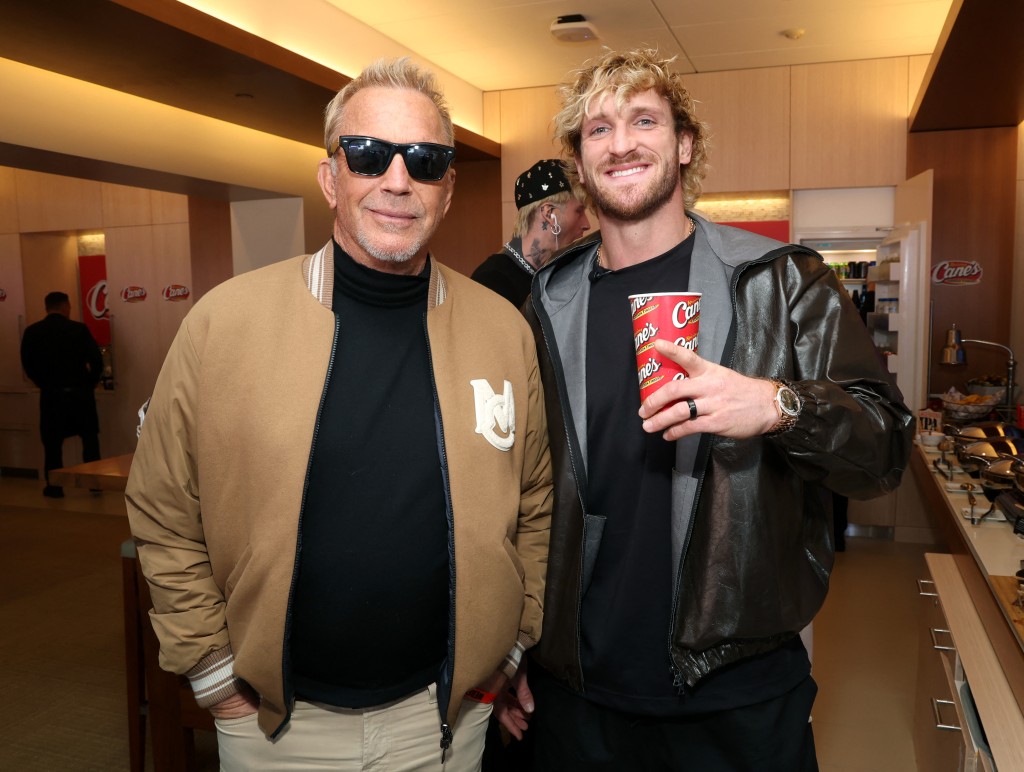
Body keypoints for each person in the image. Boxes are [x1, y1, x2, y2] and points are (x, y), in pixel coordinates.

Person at [126, 57, 552, 771]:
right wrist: (211, 671)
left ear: (447, 188)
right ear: (331, 178)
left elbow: (535, 503)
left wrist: (507, 646)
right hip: (277, 728)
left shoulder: (502, 329)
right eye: (367, 154)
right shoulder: (225, 324)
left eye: (424, 160)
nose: (396, 179)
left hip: (444, 722)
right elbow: (164, 505)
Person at [500, 48, 914, 771]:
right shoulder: (550, 300)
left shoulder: (781, 283)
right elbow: (524, 490)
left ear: (684, 145)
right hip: (577, 693)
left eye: (644, 120)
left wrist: (781, 404)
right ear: (579, 160)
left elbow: (884, 450)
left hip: (736, 692)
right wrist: (509, 649)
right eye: (598, 130)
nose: (621, 142)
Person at [471, 160, 590, 308]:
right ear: (549, 213)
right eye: (579, 211)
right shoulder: (492, 280)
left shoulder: (553, 275)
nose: (587, 225)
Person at [20, 291, 103, 498]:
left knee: (52, 443)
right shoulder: (78, 330)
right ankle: (94, 484)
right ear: (65, 306)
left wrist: (44, 384)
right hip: (80, 395)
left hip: (52, 396)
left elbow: (28, 365)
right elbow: (96, 361)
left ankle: (55, 486)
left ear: (47, 307)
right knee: (89, 440)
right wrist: (89, 383)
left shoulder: (32, 332)